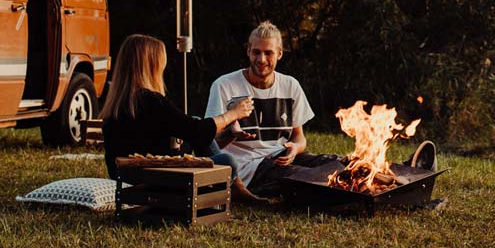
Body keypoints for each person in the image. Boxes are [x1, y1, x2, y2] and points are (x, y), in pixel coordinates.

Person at [204, 22, 339, 198]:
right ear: (248, 51)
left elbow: (299, 136)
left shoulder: (290, 85)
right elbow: (209, 144)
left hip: (280, 156)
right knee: (303, 176)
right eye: (256, 52)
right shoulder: (224, 85)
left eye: (268, 53)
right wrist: (231, 133)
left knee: (338, 163)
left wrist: (295, 148)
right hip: (249, 168)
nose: (261, 59)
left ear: (280, 54)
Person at [99, 34, 253, 183]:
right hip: (155, 180)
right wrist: (233, 114)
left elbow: (185, 130)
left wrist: (227, 132)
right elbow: (197, 131)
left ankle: (237, 189)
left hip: (126, 177)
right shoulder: (150, 101)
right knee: (227, 161)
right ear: (151, 67)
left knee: (196, 123)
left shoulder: (116, 105)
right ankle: (234, 189)